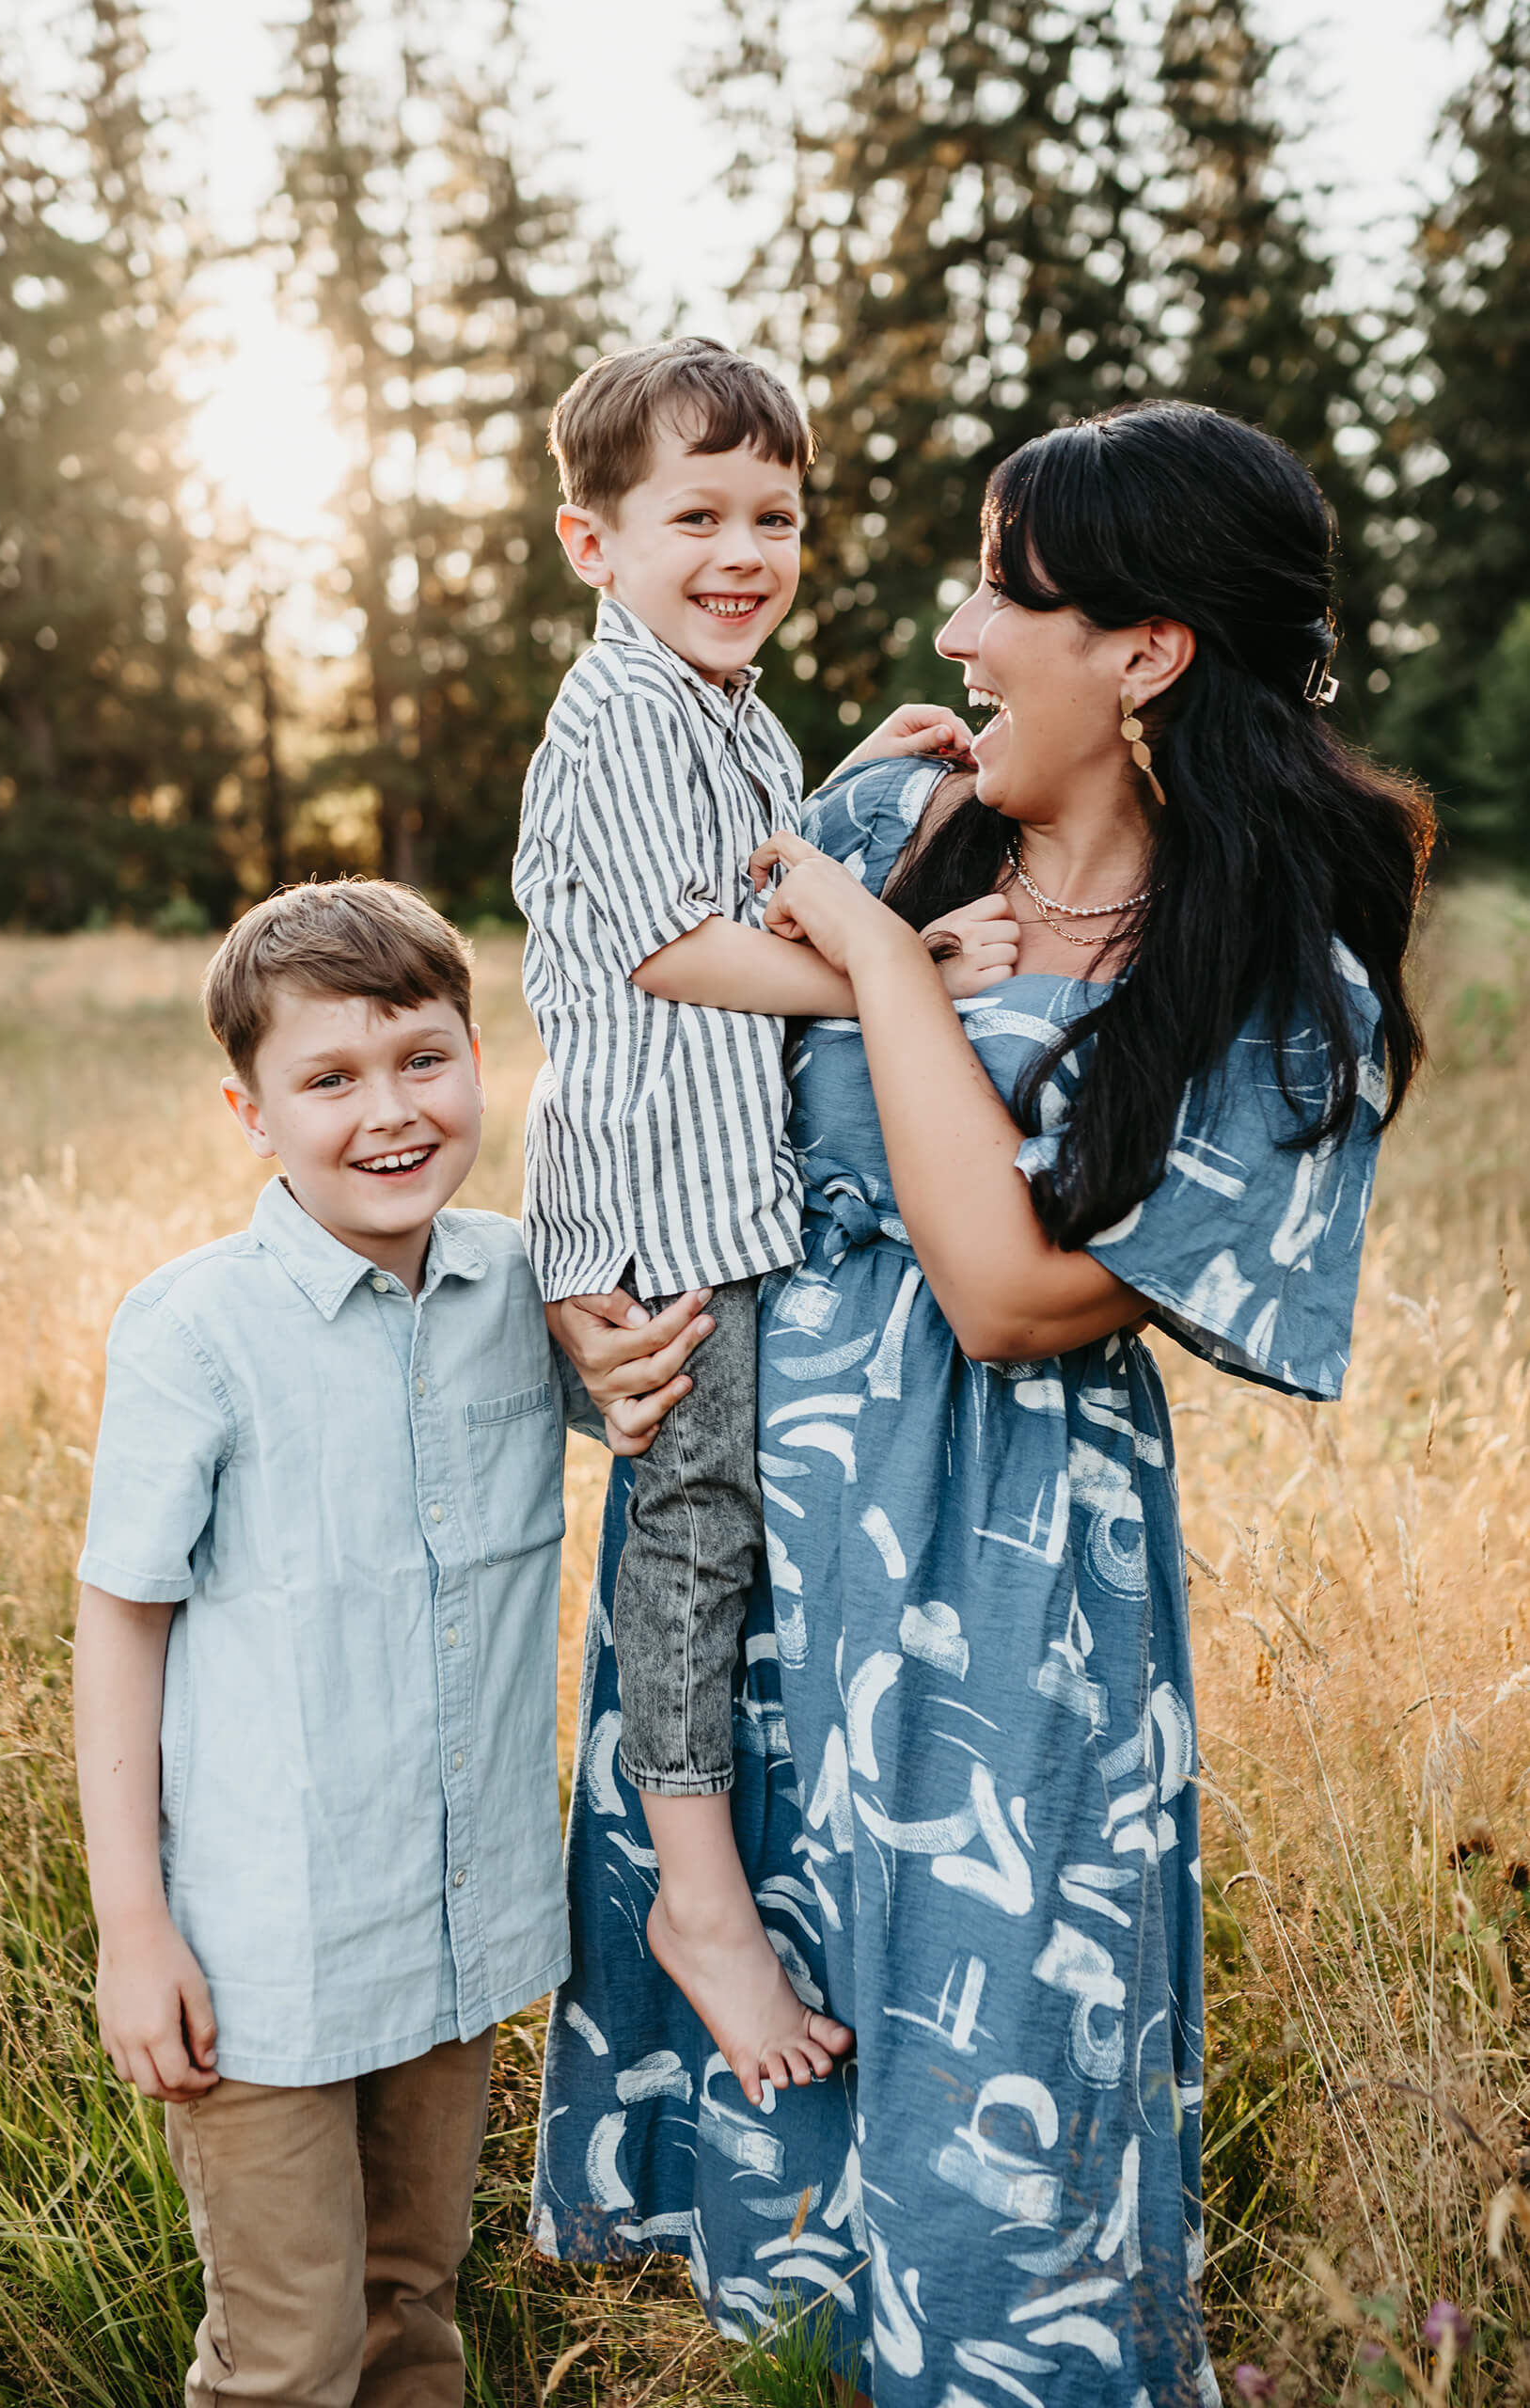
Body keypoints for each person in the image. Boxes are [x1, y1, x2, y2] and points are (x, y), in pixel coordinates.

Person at [531, 401, 1434, 2406]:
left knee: (993, 2134)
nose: (948, 630)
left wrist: (880, 975)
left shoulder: (1275, 989)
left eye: (1000, 589)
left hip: (994, 1604)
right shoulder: (884, 830)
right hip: (757, 1543)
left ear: (1144, 650)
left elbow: (1011, 1291)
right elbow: (639, 1070)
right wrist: (583, 1308)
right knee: (781, 2111)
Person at [70, 878, 679, 2408]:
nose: (390, 1112)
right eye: (329, 1080)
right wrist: (135, 1933)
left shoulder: (520, 1283)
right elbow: (120, 1628)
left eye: (423, 1059)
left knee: (415, 2304)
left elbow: (645, 1388)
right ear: (250, 1111)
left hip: (456, 1933)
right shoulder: (194, 1329)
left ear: (482, 1059)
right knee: (288, 2349)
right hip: (259, 1961)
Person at [513, 335, 977, 2103]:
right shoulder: (621, 714)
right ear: (593, 546)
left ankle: (718, 1857)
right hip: (661, 1201)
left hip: (719, 1190)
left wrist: (844, 767)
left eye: (771, 514)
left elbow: (743, 865)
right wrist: (898, 969)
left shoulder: (724, 709)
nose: (742, 550)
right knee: (696, 1534)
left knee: (718, 1522)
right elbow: (672, 944)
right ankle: (697, 1899)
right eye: (694, 513)